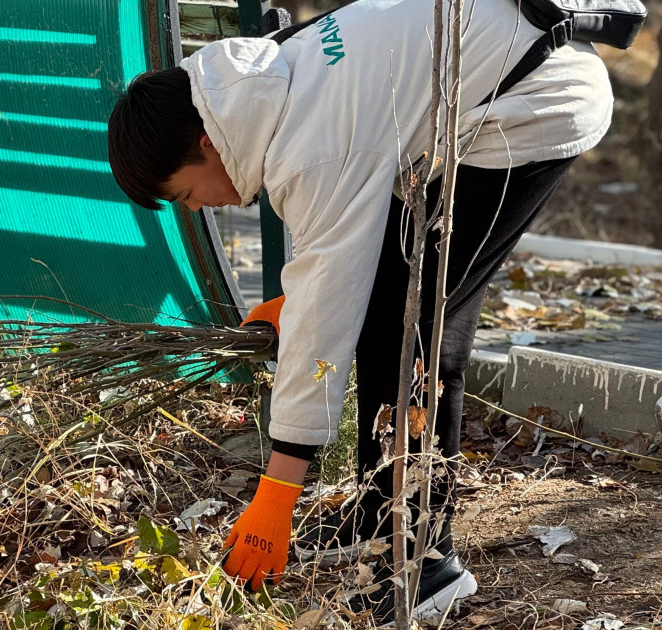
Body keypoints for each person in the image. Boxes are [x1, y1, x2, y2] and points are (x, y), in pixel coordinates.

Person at [107, 0, 612, 623]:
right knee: (391, 317)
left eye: (186, 193)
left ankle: (424, 563)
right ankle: (378, 517)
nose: (197, 209)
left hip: (531, 107)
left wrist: (279, 487)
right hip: (476, 100)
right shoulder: (262, 83)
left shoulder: (307, 146)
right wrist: (302, 301)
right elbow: (338, 263)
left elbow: (326, 316)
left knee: (423, 334)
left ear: (208, 142)